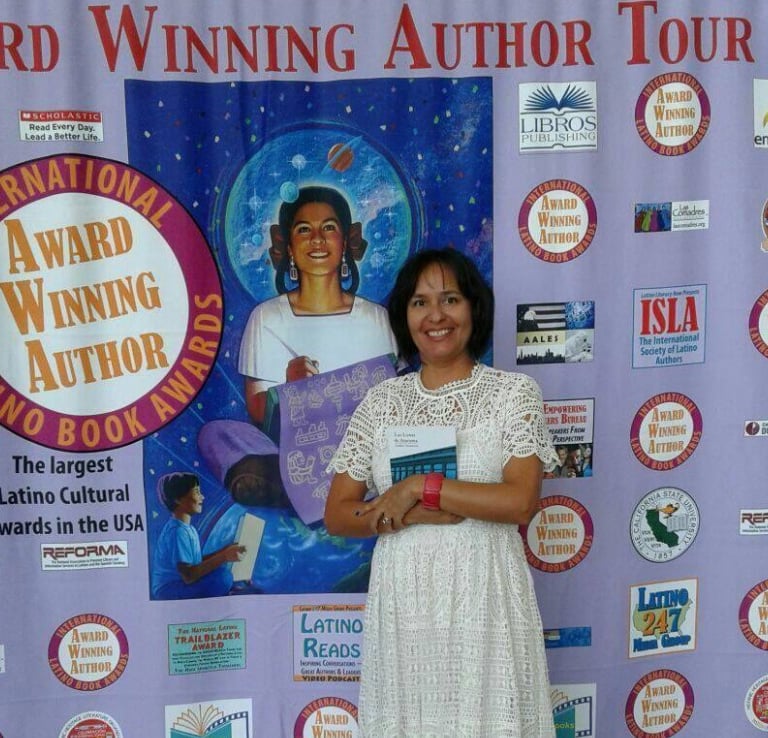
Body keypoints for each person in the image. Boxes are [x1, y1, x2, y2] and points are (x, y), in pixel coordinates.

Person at [325, 248, 558, 736]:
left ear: (474, 308)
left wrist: (419, 487)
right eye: (420, 302)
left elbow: (520, 502)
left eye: (450, 299)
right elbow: (338, 515)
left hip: (486, 602)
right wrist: (407, 512)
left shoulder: (513, 393)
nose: (436, 316)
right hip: (404, 609)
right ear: (404, 317)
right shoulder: (382, 402)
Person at [198, 185, 398, 506]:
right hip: (296, 453)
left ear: (346, 241)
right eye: (304, 229)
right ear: (288, 246)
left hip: (360, 448)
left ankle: (330, 490)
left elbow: (395, 398)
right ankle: (302, 488)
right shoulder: (266, 317)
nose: (317, 239)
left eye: (329, 228)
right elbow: (258, 412)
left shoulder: (376, 318)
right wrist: (291, 391)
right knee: (216, 434)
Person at [151, 472, 246, 599]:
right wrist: (224, 556)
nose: (202, 497)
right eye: (197, 492)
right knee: (223, 576)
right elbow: (188, 575)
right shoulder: (177, 532)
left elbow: (196, 562)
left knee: (222, 572)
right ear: (178, 499)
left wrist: (225, 551)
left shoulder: (189, 529)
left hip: (182, 583)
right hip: (169, 589)